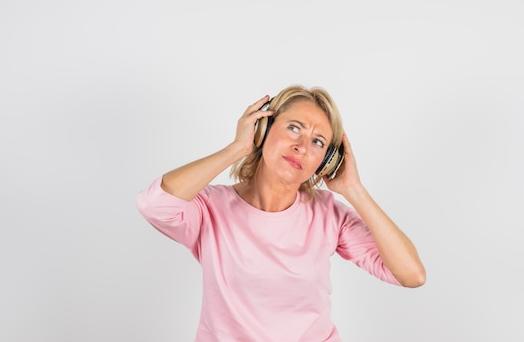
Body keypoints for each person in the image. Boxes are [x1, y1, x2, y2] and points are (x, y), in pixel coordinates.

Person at [136, 84, 426, 342]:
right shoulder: (211, 208)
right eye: (294, 128)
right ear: (262, 130)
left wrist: (354, 190)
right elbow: (154, 205)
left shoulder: (328, 214)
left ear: (325, 163)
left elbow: (412, 274)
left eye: (317, 142)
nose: (301, 147)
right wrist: (236, 149)